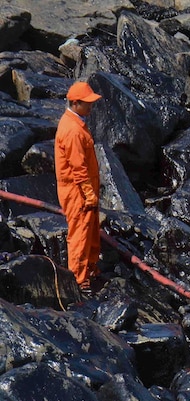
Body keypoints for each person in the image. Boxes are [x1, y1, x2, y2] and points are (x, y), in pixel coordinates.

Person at [55, 80, 102, 295]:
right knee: (80, 234)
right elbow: (78, 167)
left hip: (82, 188)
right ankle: (79, 279)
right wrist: (89, 193)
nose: (91, 107)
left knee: (90, 230)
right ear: (75, 104)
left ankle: (89, 270)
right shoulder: (73, 130)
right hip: (77, 190)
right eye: (87, 103)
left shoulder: (76, 123)